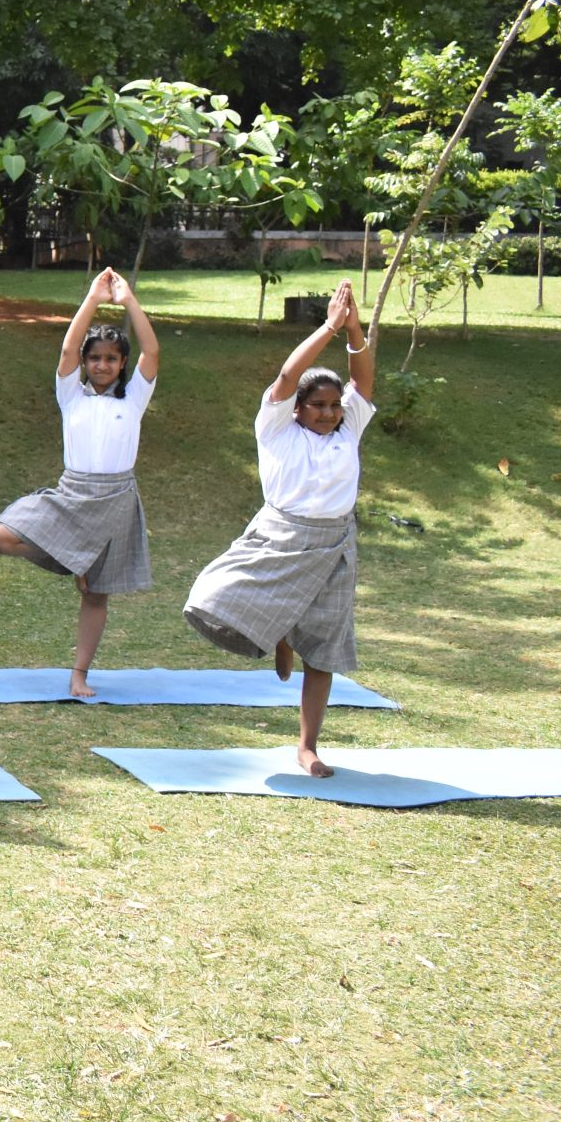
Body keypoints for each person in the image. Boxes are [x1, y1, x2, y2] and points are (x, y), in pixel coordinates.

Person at [183, 280, 377, 777]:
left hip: (334, 544)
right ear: (295, 408)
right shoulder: (273, 427)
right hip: (279, 535)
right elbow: (289, 373)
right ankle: (280, 627)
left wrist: (354, 330)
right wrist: (330, 327)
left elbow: (363, 379)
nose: (329, 413)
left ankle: (307, 746)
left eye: (335, 406)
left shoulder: (348, 429)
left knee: (326, 650)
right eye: (318, 405)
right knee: (209, 598)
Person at [0, 268, 161, 696]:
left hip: (116, 499)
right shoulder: (72, 395)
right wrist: (91, 298)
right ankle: (72, 560)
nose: (102, 365)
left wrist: (129, 301)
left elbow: (153, 351)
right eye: (95, 358)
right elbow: (67, 346)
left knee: (96, 595)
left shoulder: (135, 399)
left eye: (111, 359)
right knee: (2, 535)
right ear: (85, 364)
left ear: (122, 364)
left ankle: (79, 672)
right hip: (72, 493)